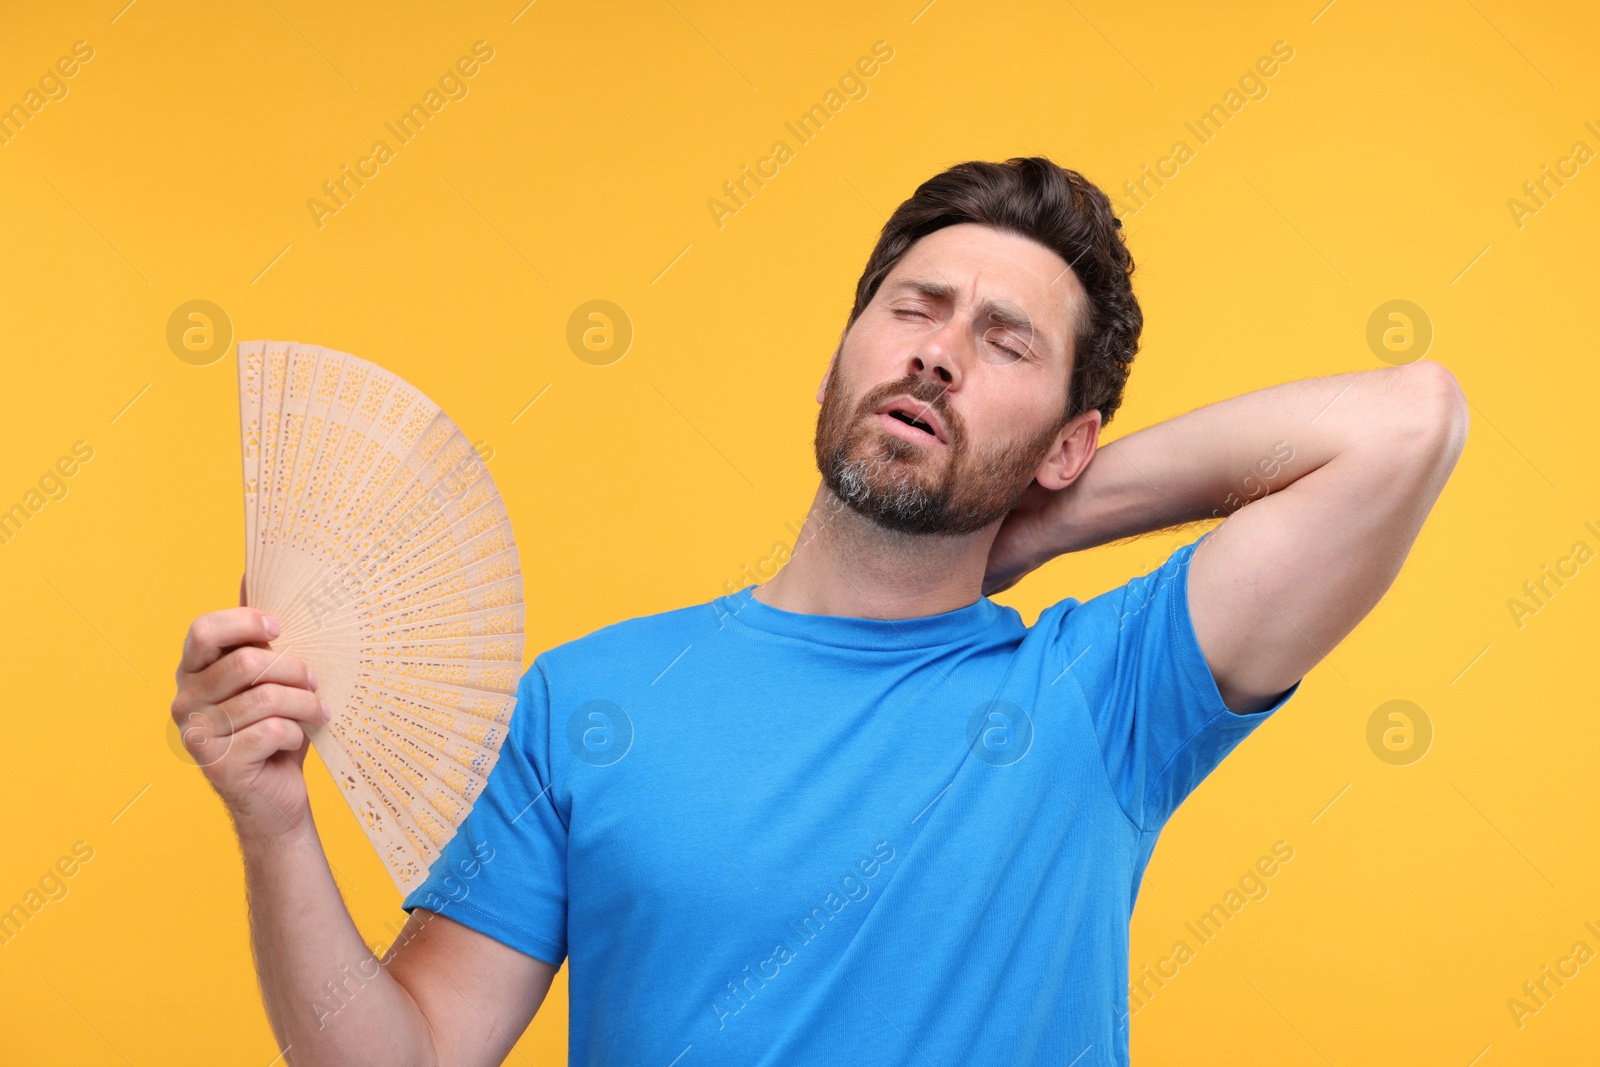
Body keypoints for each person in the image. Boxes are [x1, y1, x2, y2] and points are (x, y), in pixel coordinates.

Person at [171, 157, 1468, 1066]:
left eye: (1005, 342)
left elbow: (1411, 424)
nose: (939, 351)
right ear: (842, 352)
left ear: (1071, 440)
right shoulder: (592, 702)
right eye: (915, 306)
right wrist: (275, 822)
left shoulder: (1104, 695)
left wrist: (1035, 520)